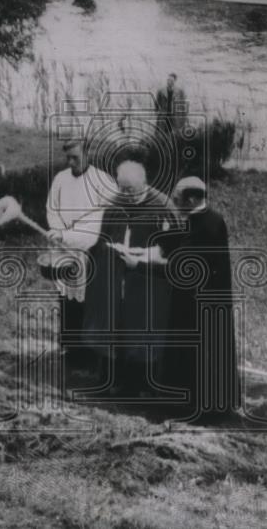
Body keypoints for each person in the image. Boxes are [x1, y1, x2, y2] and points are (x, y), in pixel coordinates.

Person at [82, 160, 179, 398]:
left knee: (143, 330)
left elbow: (172, 249)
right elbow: (101, 239)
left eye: (131, 191)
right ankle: (112, 380)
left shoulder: (162, 206)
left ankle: (143, 387)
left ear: (144, 184)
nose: (126, 196)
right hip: (118, 277)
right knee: (115, 324)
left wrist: (144, 258)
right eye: (122, 190)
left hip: (148, 282)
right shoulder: (116, 204)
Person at [162, 176, 239, 421]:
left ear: (192, 199)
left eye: (177, 200)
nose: (174, 204)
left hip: (201, 302)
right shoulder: (205, 219)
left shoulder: (206, 225)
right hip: (203, 298)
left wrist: (142, 262)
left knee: (202, 352)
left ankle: (205, 410)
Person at [46, 138, 117, 366]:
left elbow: (99, 222)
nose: (71, 162)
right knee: (66, 299)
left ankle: (90, 355)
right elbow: (51, 209)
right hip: (65, 251)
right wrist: (57, 230)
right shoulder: (60, 179)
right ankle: (70, 348)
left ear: (88, 153)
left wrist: (69, 235)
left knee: (89, 303)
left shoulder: (102, 181)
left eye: (75, 157)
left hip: (91, 252)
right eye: (68, 157)